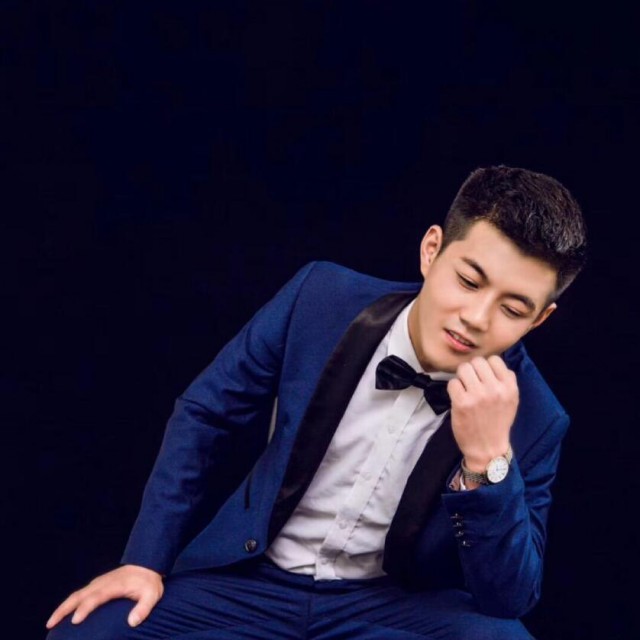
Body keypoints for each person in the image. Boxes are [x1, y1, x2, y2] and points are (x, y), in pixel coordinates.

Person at [46, 165, 587, 639]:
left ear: (540, 319)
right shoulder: (320, 298)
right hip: (252, 581)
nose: (476, 317)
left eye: (513, 310)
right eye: (468, 281)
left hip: (389, 606)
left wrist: (487, 463)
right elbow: (207, 416)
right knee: (89, 630)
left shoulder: (538, 418)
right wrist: (144, 561)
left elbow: (507, 598)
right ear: (431, 251)